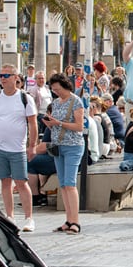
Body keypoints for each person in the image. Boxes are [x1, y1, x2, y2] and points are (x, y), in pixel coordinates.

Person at [0, 64, 38, 231]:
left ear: (16, 78)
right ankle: (10, 216)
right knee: (5, 182)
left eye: (6, 76)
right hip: (0, 147)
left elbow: (32, 123)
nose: (3, 79)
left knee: (21, 182)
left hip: (18, 148)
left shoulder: (25, 98)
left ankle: (29, 218)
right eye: (1, 76)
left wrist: (32, 145)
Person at [43, 73, 86, 235]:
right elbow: (56, 123)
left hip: (73, 145)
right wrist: (50, 124)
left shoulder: (76, 101)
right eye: (53, 90)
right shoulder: (55, 102)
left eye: (58, 89)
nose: (56, 92)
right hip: (58, 145)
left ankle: (75, 221)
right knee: (63, 184)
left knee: (70, 183)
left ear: (65, 86)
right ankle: (68, 220)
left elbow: (79, 126)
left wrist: (58, 123)